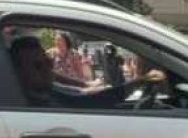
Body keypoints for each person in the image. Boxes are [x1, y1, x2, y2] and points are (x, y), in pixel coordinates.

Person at [9, 35, 165, 110]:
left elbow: (82, 91)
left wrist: (95, 85)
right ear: (18, 71)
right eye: (38, 66)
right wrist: (141, 81)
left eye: (49, 63)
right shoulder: (41, 99)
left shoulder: (48, 89)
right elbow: (92, 100)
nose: (48, 69)